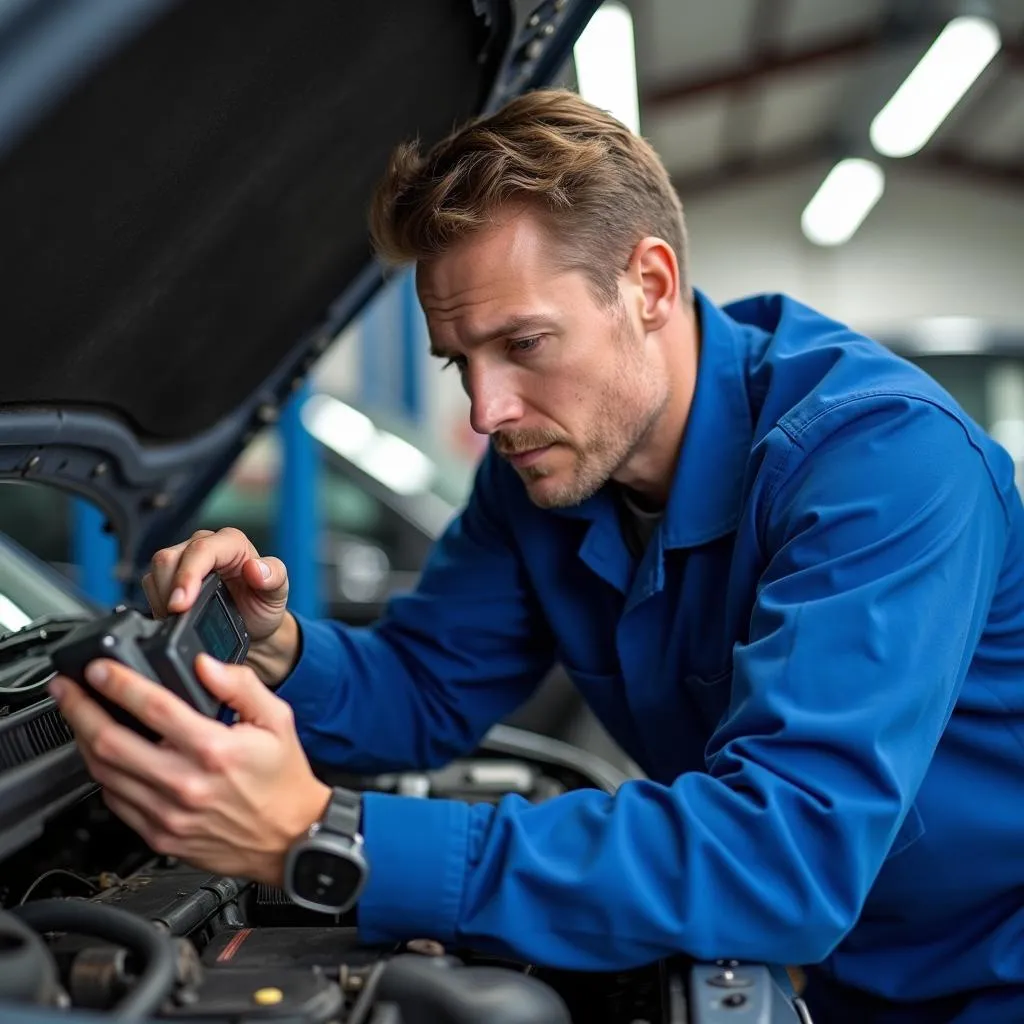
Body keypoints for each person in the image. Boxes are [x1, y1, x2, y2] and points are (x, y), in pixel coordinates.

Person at [49, 89, 1024, 1024]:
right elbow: (427, 685)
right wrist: (276, 652)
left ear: (648, 284)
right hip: (850, 973)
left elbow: (784, 855)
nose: (485, 411)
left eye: (524, 343)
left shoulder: (882, 461)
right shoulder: (542, 472)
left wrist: (328, 835)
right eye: (458, 361)